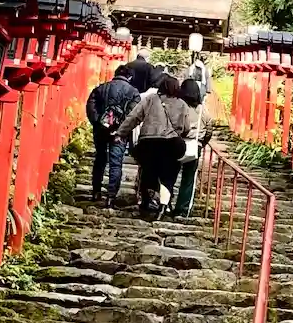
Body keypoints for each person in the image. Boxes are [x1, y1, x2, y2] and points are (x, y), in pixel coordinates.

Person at [116, 74, 191, 217]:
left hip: (148, 142)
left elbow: (134, 117)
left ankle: (147, 201)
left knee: (148, 171)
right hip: (171, 144)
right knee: (168, 176)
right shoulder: (182, 104)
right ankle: (163, 206)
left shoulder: (151, 99)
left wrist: (121, 133)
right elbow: (187, 128)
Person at [85, 65, 140, 206]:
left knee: (100, 158)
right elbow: (134, 114)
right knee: (116, 162)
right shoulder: (133, 92)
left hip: (101, 129)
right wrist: (122, 129)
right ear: (129, 77)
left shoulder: (101, 88)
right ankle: (111, 196)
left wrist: (98, 122)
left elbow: (90, 106)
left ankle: (96, 191)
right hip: (120, 133)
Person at [173, 77, 213, 218]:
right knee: (188, 178)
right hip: (195, 145)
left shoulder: (178, 105)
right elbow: (209, 129)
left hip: (176, 143)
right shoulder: (203, 110)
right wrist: (202, 142)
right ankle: (182, 208)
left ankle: (164, 203)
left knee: (170, 174)